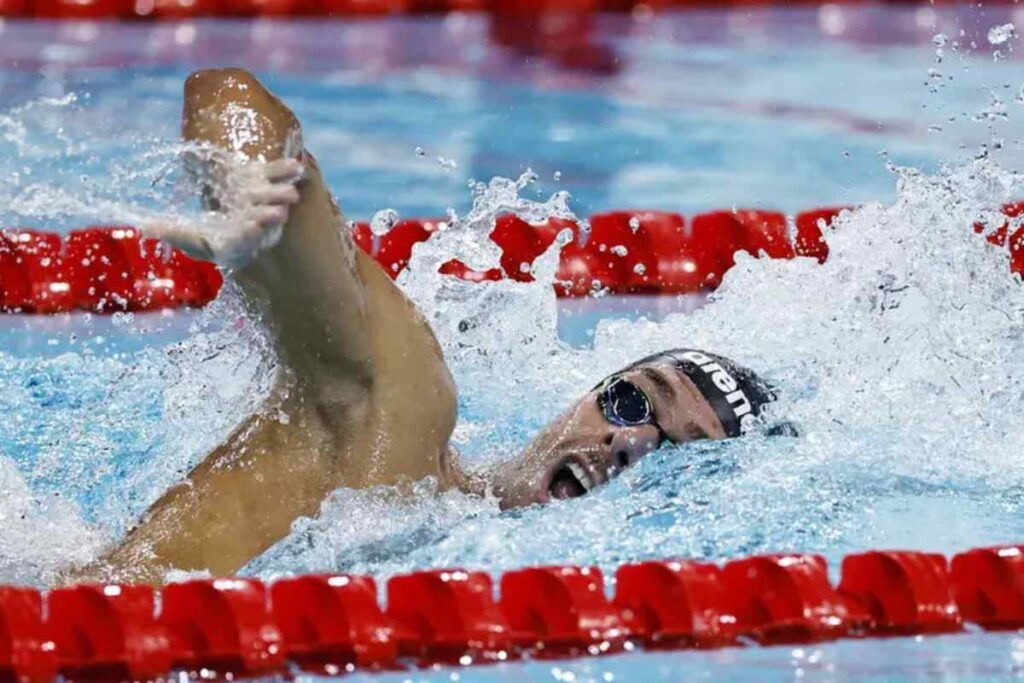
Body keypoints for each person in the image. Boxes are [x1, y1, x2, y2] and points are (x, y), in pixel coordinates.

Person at [81, 68, 777, 584]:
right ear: (584, 395)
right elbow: (230, 93)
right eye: (631, 400)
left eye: (673, 454)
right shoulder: (399, 418)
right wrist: (238, 185)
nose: (626, 442)